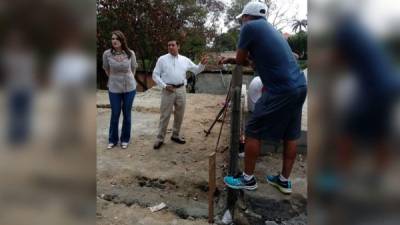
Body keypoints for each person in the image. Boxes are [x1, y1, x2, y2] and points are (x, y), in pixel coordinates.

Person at [221, 1, 307, 194]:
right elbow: (257, 62)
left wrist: (236, 59)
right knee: (291, 134)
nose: (241, 22)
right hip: (300, 86)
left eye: (242, 19)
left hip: (280, 89)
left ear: (246, 16)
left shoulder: (249, 28)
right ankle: (284, 181)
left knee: (253, 130)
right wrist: (231, 59)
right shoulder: (272, 31)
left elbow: (243, 61)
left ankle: (248, 179)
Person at [152, 39, 207, 149]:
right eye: (168, 45)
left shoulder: (184, 60)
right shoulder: (162, 59)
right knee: (165, 115)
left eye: (173, 45)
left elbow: (196, 70)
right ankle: (160, 138)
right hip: (168, 89)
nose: (170, 47)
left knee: (179, 114)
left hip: (181, 89)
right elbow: (155, 75)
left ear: (178, 46)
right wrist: (164, 85)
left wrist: (202, 64)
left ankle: (175, 135)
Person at [102, 30, 138, 149]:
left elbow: (133, 68)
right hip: (114, 88)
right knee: (115, 113)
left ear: (122, 40)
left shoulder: (130, 53)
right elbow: (106, 69)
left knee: (127, 114)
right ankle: (112, 139)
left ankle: (125, 139)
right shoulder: (107, 54)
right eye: (112, 39)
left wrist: (127, 78)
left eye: (117, 38)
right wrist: (114, 78)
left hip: (129, 87)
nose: (114, 41)